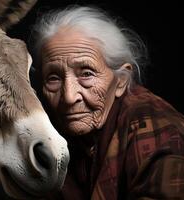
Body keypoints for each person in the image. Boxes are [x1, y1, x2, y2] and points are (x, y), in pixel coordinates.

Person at [30, 5, 184, 200]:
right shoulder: (50, 134)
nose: (69, 97)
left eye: (87, 74)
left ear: (121, 81)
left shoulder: (154, 125)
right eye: (53, 78)